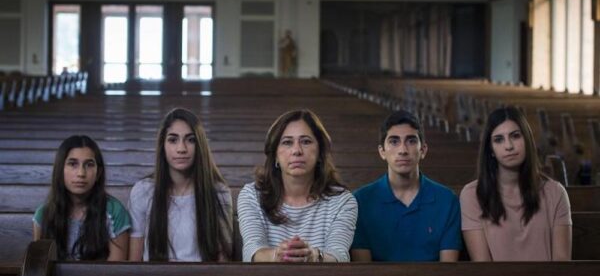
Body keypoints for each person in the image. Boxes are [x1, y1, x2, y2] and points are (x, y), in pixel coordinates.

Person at [237, 109, 357, 262]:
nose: (297, 151)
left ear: (320, 152)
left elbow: (339, 255)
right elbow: (252, 252)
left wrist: (313, 256)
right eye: (287, 142)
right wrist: (277, 255)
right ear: (275, 155)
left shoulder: (342, 201)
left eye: (306, 141)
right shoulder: (252, 195)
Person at [460, 106, 572, 261]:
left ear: (527, 139)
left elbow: (562, 264)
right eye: (499, 140)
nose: (509, 146)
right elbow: (483, 267)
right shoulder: (472, 195)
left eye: (515, 136)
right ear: (491, 149)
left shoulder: (555, 193)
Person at [351, 110, 462, 261]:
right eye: (394, 141)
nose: (403, 150)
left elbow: (448, 269)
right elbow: (363, 270)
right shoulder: (360, 201)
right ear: (382, 151)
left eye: (411, 141)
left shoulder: (447, 201)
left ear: (423, 150)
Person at [128, 108, 233, 261]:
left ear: (200, 146)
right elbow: (134, 262)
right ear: (162, 145)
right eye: (173, 140)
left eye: (190, 140)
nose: (181, 149)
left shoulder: (219, 192)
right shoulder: (143, 191)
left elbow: (223, 260)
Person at [33, 135, 131, 260]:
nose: (81, 173)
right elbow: (40, 267)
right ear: (60, 170)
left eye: (89, 165)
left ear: (98, 173)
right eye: (73, 164)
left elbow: (116, 270)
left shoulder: (114, 211)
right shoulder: (43, 215)